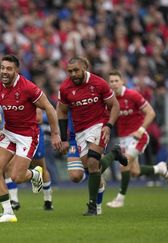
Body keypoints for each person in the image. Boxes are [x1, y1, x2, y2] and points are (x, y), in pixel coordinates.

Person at [0, 55, 61, 223]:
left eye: (9, 69)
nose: (4, 71)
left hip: (27, 135)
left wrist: (55, 134)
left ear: (16, 70)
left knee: (17, 177)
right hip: (8, 132)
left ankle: (34, 174)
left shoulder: (28, 88)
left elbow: (49, 108)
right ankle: (8, 213)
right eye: (2, 68)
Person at [56, 56, 120, 216]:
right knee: (84, 172)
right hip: (78, 132)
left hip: (98, 125)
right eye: (70, 71)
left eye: (76, 70)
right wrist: (63, 139)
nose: (73, 74)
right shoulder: (65, 88)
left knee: (92, 162)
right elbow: (62, 111)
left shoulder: (99, 83)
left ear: (85, 67)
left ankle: (92, 206)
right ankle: (114, 155)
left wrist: (108, 125)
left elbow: (115, 105)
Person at [106, 70, 168, 208]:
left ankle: (120, 199)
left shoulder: (132, 95)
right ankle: (159, 169)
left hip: (139, 136)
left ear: (122, 81)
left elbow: (151, 112)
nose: (113, 84)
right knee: (134, 172)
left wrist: (141, 130)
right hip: (123, 139)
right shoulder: (111, 100)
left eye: (116, 81)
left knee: (124, 165)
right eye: (111, 81)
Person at [6, 109, 54, 211]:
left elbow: (39, 119)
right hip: (16, 135)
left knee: (41, 167)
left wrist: (19, 118)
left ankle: (48, 200)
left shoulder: (31, 98)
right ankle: (14, 200)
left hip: (33, 135)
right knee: (9, 165)